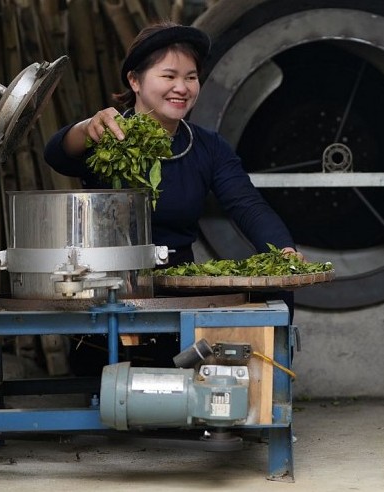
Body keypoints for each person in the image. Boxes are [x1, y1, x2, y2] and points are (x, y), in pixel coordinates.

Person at [44, 21, 300, 368]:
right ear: (135, 80)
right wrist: (85, 129)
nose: (182, 87)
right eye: (169, 76)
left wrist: (283, 249)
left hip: (177, 284)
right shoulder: (110, 136)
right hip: (109, 285)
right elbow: (57, 154)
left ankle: (266, 386)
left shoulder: (207, 148)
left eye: (191, 77)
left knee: (278, 289)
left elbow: (248, 205)